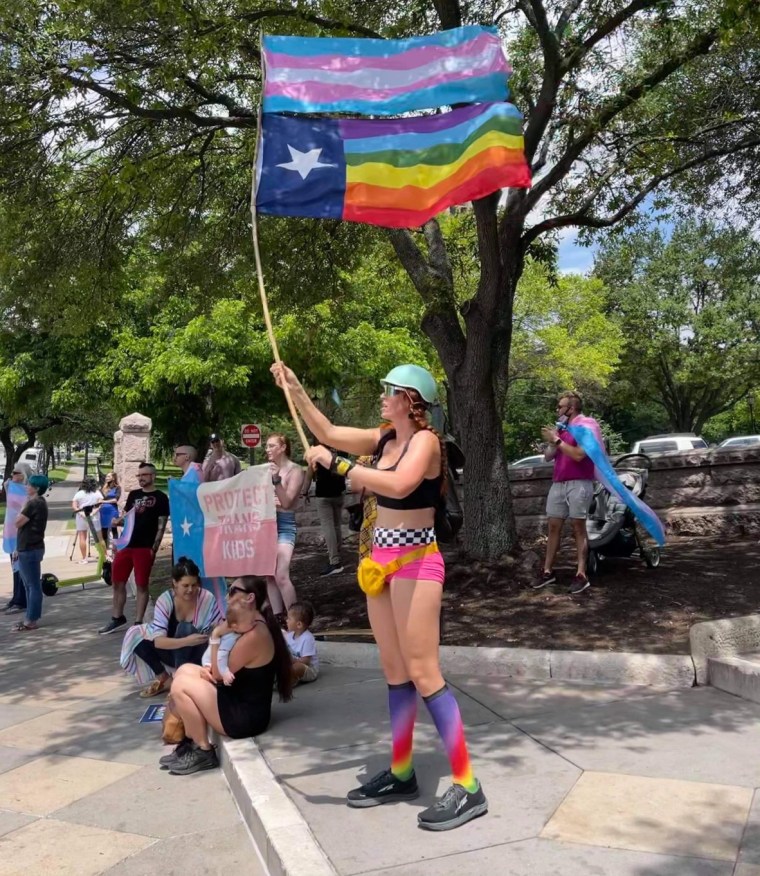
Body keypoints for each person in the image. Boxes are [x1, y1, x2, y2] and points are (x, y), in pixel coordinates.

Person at [271, 361, 487, 832]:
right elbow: (326, 429)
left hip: (418, 563)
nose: (382, 398)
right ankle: (403, 772)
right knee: (394, 671)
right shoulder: (385, 437)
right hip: (380, 565)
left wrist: (342, 466)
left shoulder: (426, 443)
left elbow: (398, 484)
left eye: (389, 392)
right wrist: (296, 387)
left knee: (423, 670)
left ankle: (468, 786)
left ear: (411, 400)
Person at [160, 576, 293, 776]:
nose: (227, 594)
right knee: (183, 670)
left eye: (233, 590)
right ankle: (190, 740)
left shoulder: (255, 634)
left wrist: (215, 637)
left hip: (244, 717)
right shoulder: (246, 623)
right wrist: (207, 669)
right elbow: (219, 670)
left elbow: (217, 673)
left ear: (249, 598)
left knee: (181, 685)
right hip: (234, 697)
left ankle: (202, 750)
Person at [535, 391, 605, 595]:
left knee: (578, 527)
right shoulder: (563, 430)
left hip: (579, 483)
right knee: (553, 526)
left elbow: (578, 455)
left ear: (571, 408)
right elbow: (548, 457)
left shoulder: (586, 427)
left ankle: (581, 574)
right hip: (558, 483)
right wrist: (552, 439)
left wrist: (556, 440)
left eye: (560, 406)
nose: (557, 410)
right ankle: (547, 571)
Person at [120, 557, 222, 696]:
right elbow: (158, 641)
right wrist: (187, 641)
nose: (191, 590)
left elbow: (218, 631)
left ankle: (181, 683)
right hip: (173, 651)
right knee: (135, 634)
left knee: (185, 628)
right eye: (185, 586)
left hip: (199, 654)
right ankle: (165, 679)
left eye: (194, 585)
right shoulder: (165, 600)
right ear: (175, 583)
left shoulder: (207, 598)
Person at [99, 462, 170, 634]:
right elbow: (128, 517)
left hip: (144, 547)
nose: (141, 478)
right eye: (139, 475)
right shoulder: (134, 495)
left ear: (153, 476)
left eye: (144, 475)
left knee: (141, 585)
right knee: (117, 582)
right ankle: (117, 617)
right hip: (126, 545)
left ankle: (138, 621)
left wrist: (154, 549)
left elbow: (161, 525)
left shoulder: (161, 498)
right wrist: (118, 521)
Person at [264, 433, 304, 620]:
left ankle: (295, 620)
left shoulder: (295, 471)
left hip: (284, 524)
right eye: (266, 446)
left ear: (283, 448)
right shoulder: (266, 469)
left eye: (271, 446)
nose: (267, 450)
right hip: (267, 524)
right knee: (269, 575)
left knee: (281, 575)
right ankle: (278, 619)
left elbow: (287, 502)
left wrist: (276, 480)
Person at [11, 474, 49, 632]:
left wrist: (23, 506)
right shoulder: (38, 503)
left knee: (32, 585)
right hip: (28, 548)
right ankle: (30, 617)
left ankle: (31, 620)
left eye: (30, 485)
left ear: (36, 488)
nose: (27, 486)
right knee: (29, 585)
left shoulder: (34, 503)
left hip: (30, 549)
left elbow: (17, 522)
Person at [302, 447, 346, 576]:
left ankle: (335, 562)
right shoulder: (343, 452)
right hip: (339, 494)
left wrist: (305, 491)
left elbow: (309, 473)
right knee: (337, 526)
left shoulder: (318, 454)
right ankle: (337, 556)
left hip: (323, 495)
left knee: (328, 528)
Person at [200, 603, 257, 685]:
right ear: (235, 626)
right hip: (209, 661)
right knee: (209, 676)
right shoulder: (231, 638)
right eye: (251, 622)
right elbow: (221, 656)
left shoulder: (236, 631)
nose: (254, 623)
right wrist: (225, 672)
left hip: (211, 657)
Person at [3, 466, 30, 614]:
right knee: (14, 567)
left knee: (20, 567)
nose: (12, 474)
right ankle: (15, 598)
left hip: (19, 532)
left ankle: (21, 600)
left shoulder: (27, 491)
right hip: (10, 531)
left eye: (16, 473)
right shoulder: (10, 487)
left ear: (23, 475)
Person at [284, 601, 319, 685]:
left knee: (297, 667)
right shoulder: (289, 635)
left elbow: (306, 661)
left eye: (289, 618)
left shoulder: (307, 638)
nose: (286, 620)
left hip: (308, 669)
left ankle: (289, 682)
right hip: (292, 664)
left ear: (299, 624)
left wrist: (292, 661)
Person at [72, 477, 104, 563]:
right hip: (94, 516)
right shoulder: (97, 492)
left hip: (82, 516)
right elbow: (100, 503)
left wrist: (80, 513)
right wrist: (94, 511)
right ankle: (104, 556)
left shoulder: (79, 493)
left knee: (82, 538)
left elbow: (74, 506)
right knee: (99, 537)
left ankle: (84, 558)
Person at [99, 471, 122, 547]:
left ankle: (115, 547)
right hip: (103, 512)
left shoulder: (117, 488)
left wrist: (104, 501)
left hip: (112, 511)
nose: (106, 478)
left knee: (114, 529)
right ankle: (105, 549)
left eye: (108, 476)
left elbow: (115, 500)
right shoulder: (103, 488)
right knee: (104, 530)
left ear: (113, 478)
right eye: (106, 476)